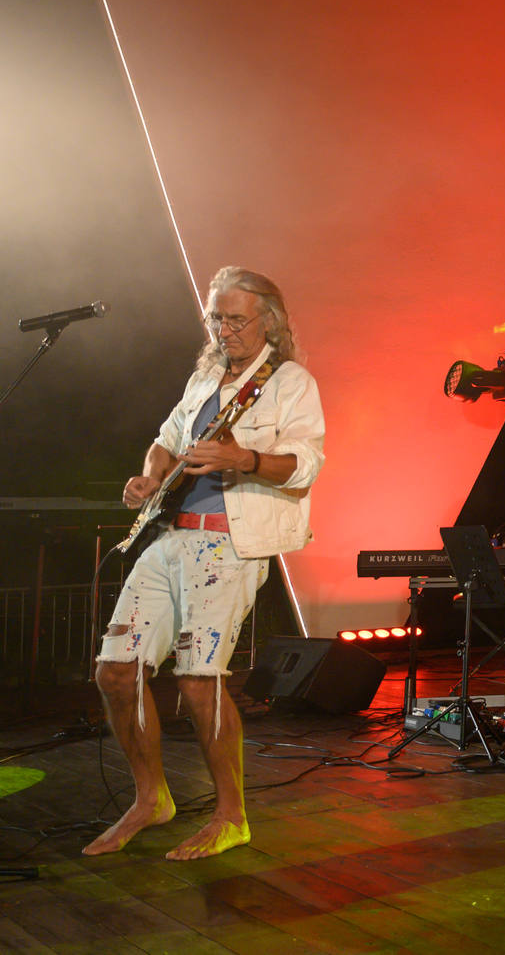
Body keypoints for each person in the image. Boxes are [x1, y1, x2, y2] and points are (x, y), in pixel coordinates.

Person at [87, 268, 325, 859]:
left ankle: (231, 816)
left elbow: (305, 464)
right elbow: (165, 440)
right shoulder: (204, 377)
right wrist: (149, 476)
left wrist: (242, 458)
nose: (224, 330)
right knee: (115, 672)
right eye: (216, 318)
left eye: (236, 318)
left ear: (269, 320)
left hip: (227, 549)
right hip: (170, 538)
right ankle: (152, 799)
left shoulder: (289, 382)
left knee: (198, 681)